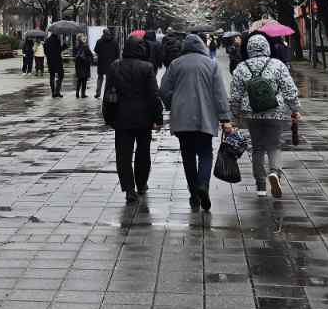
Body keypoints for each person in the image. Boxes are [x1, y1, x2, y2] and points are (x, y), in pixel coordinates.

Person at [160, 33, 232, 212]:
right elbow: (219, 94)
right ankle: (203, 185)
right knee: (206, 153)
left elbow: (164, 90)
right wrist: (225, 118)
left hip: (182, 118)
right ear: (202, 46)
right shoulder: (211, 64)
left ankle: (194, 194)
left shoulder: (175, 64)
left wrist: (173, 103)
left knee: (188, 156)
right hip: (205, 117)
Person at [228, 33, 300, 199]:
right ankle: (274, 173)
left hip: (252, 113)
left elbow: (235, 95)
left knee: (258, 148)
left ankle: (260, 186)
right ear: (267, 47)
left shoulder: (241, 67)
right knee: (274, 146)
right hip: (275, 111)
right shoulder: (277, 65)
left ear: (249, 49)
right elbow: (289, 89)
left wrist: (235, 116)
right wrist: (295, 109)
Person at [105, 36, 161, 202]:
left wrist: (108, 117)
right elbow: (153, 95)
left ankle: (129, 188)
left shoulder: (115, 66)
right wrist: (158, 117)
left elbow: (108, 93)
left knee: (123, 155)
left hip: (121, 117)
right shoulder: (147, 67)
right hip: (144, 118)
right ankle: (141, 184)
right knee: (143, 152)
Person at [93, 29, 119, 98]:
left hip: (101, 62)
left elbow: (96, 51)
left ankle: (98, 93)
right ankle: (106, 93)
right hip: (111, 63)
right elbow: (117, 53)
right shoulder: (114, 42)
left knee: (100, 78)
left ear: (103, 33)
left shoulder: (99, 41)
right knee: (108, 79)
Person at [44, 31, 66, 97]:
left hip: (50, 61)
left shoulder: (47, 41)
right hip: (57, 61)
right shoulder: (57, 41)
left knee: (52, 76)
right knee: (61, 75)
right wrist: (64, 46)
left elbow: (45, 51)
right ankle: (57, 91)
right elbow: (59, 50)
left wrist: (49, 56)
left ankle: (53, 92)